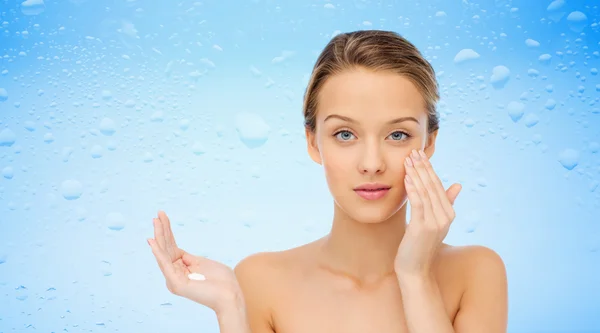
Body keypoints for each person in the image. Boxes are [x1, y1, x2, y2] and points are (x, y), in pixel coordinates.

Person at [148, 29, 508, 333]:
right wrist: (230, 309)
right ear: (312, 142)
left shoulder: (476, 273)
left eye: (397, 135)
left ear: (428, 142)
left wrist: (415, 275)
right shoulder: (260, 281)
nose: (371, 164)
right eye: (345, 134)